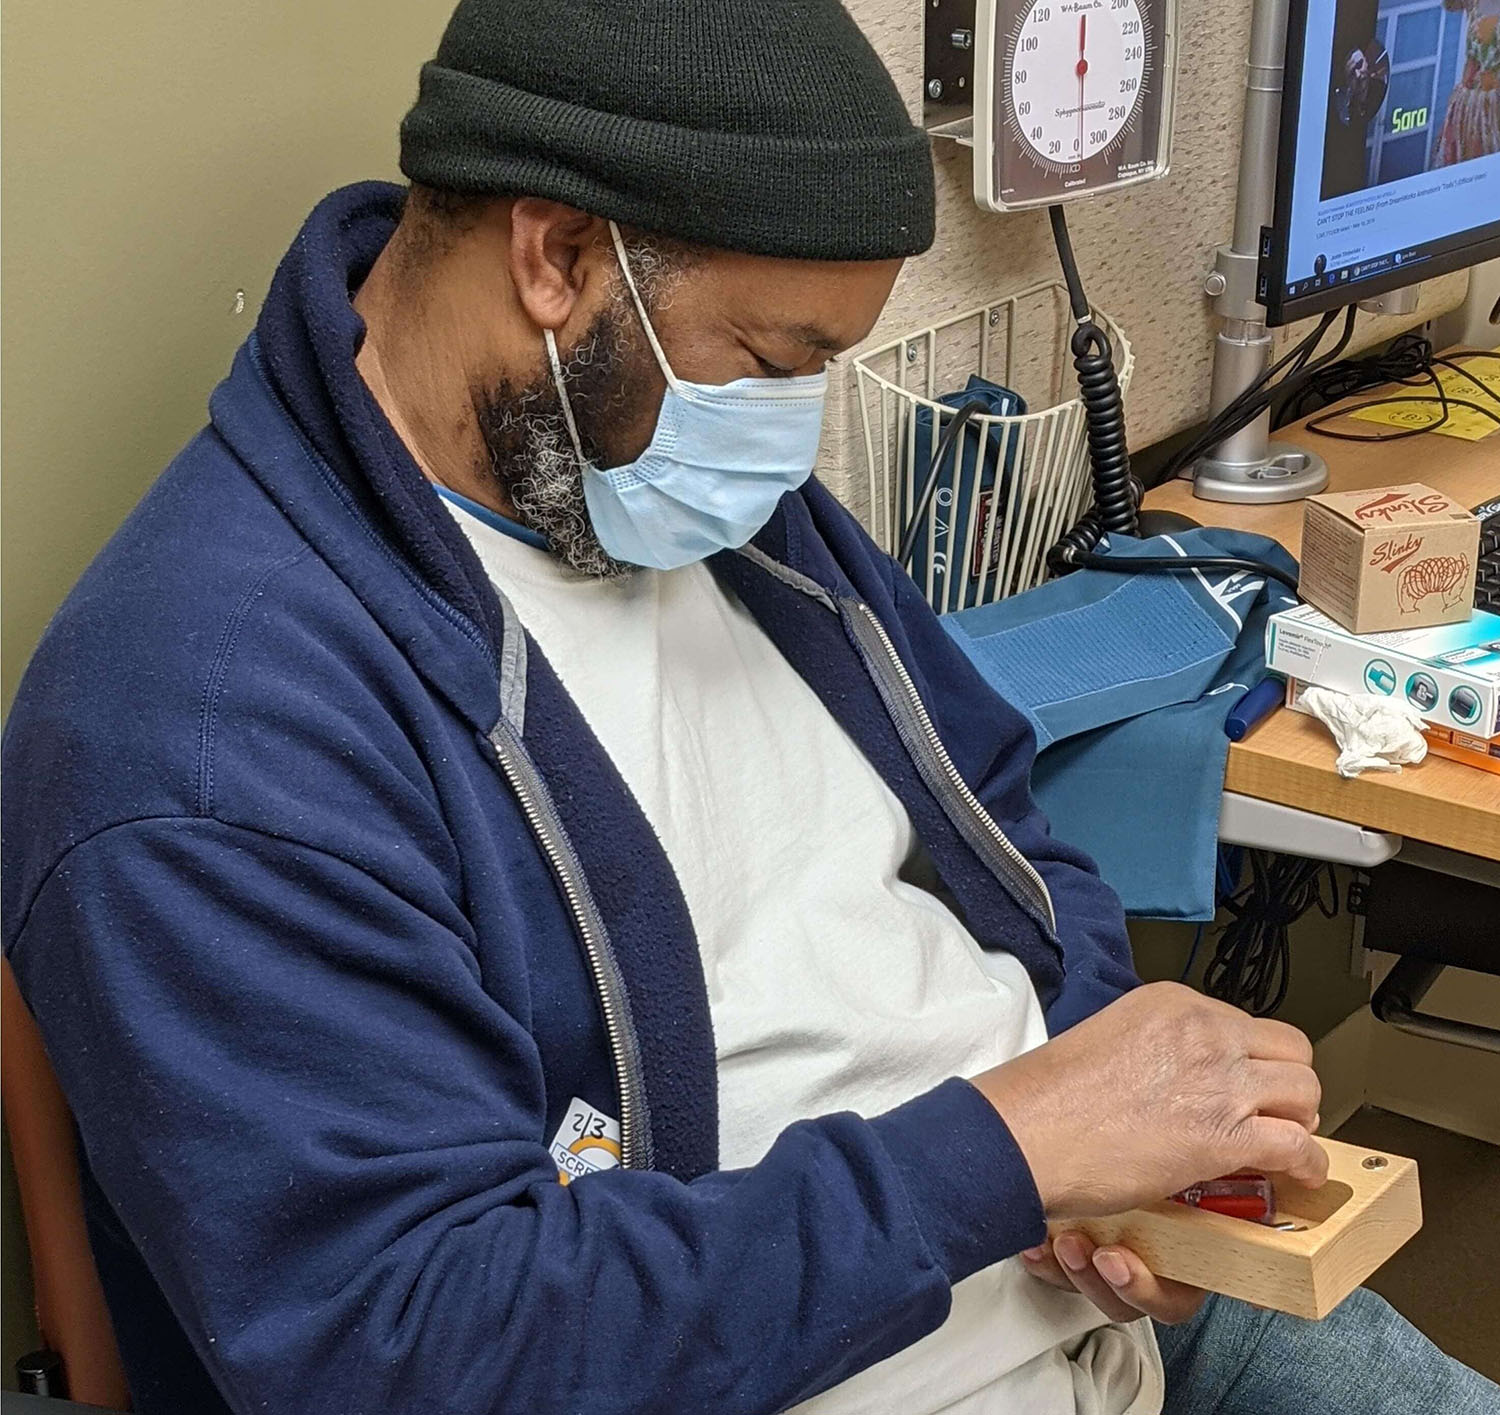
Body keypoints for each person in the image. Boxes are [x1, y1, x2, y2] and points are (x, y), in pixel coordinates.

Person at [3, 2, 1497, 1412]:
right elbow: (416, 1349)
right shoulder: (208, 736)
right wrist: (1004, 1156)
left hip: (1087, 1286)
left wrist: (1117, 1125)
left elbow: (998, 824)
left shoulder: (633, 471)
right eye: (777, 361)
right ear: (556, 258)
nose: (787, 442)